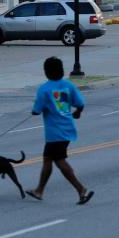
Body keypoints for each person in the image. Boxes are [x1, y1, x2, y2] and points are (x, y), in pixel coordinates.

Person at [26, 57, 94, 205]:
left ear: (46, 72)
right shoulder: (68, 85)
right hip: (67, 129)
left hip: (54, 133)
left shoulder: (44, 89)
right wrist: (77, 112)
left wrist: (35, 110)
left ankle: (82, 189)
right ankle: (39, 190)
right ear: (62, 70)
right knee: (48, 159)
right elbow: (80, 103)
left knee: (59, 161)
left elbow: (36, 110)